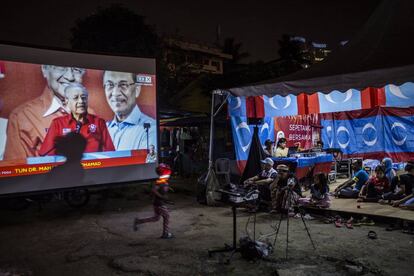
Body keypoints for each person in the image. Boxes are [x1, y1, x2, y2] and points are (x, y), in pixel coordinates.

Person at [4, 65, 86, 160]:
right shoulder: (22, 117)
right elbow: (16, 169)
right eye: (61, 67)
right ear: (44, 69)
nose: (70, 77)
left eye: (76, 69)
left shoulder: (91, 114)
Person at [39, 83, 114, 155]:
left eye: (83, 97)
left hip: (92, 166)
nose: (81, 101)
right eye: (75, 98)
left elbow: (110, 152)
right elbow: (46, 153)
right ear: (67, 101)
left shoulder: (99, 122)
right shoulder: (57, 123)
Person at [103, 71, 156, 151]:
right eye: (110, 85)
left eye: (123, 85)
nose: (115, 93)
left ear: (137, 90)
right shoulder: (103, 129)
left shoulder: (150, 129)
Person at [133, 163, 174, 239]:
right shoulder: (160, 181)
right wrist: (162, 196)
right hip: (159, 203)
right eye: (166, 170)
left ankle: (138, 221)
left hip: (157, 203)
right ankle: (165, 233)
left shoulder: (162, 180)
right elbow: (154, 190)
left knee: (156, 218)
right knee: (167, 216)